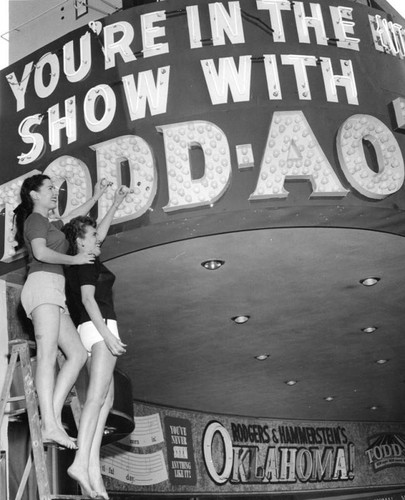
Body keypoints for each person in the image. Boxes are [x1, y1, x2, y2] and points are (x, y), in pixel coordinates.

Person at [14, 174, 109, 449]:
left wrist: (96, 196)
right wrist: (74, 259)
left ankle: (51, 418)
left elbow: (73, 215)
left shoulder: (51, 222)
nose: (55, 192)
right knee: (46, 356)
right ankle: (49, 425)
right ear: (34, 194)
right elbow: (41, 253)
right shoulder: (35, 220)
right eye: (50, 189)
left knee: (77, 353)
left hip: (54, 291)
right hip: (42, 284)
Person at [62, 185, 129, 499]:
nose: (98, 239)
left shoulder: (81, 259)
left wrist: (115, 203)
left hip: (91, 330)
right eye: (92, 236)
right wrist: (108, 336)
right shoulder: (86, 262)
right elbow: (89, 300)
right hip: (98, 328)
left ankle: (92, 471)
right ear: (80, 240)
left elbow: (99, 232)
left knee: (106, 401)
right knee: (95, 400)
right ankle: (79, 462)